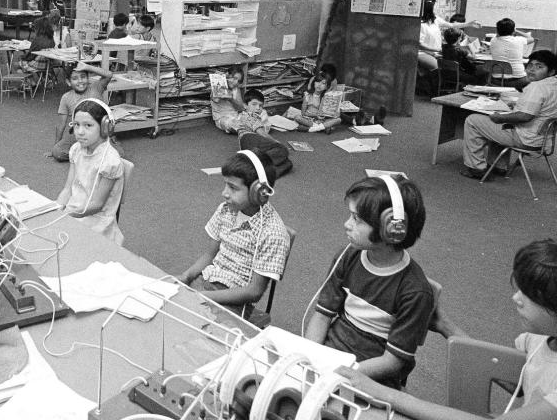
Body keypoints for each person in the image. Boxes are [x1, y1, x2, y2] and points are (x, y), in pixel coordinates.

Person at [337, 238, 557, 420]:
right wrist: (444, 325)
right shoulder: (537, 340)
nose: (515, 298)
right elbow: (519, 382)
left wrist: (384, 393)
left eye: (528, 295)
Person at [304, 174, 434, 389]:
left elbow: (392, 362)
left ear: (391, 230)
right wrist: (310, 356)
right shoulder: (348, 256)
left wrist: (338, 374)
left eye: (357, 219)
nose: (346, 224)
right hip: (330, 359)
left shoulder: (415, 291)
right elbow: (322, 315)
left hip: (371, 377)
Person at [177, 150, 291, 314]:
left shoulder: (273, 233)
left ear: (258, 192)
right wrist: (186, 276)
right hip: (205, 282)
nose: (224, 193)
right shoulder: (226, 210)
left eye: (232, 187)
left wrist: (204, 297)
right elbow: (210, 255)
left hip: (234, 301)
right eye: (225, 184)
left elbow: (254, 291)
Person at [460, 50, 557, 179]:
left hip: (525, 139)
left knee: (473, 120)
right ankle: (498, 166)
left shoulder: (537, 87)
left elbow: (525, 116)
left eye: (539, 66)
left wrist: (499, 117)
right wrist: (515, 107)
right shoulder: (552, 84)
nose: (532, 69)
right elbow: (540, 108)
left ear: (551, 71)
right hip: (544, 139)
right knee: (502, 124)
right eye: (530, 65)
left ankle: (476, 168)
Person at [55, 98, 125, 244]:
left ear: (105, 127)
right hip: (74, 211)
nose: (80, 132)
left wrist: (66, 215)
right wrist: (56, 208)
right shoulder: (76, 150)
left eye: (88, 125)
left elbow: (96, 205)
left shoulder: (110, 161)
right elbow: (68, 189)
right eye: (76, 125)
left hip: (97, 221)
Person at [52, 61, 114, 162]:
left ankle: (87, 153)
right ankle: (91, 154)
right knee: (57, 152)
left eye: (83, 77)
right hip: (79, 135)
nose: (80, 81)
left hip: (100, 134)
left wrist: (87, 67)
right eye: (75, 78)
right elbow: (61, 124)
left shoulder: (96, 87)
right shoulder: (66, 97)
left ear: (88, 78)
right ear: (68, 82)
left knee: (119, 154)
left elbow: (109, 75)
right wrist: (56, 145)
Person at [418, 0, 476, 94]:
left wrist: (469, 24)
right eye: (435, 7)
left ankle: (444, 89)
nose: (437, 10)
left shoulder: (435, 19)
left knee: (447, 64)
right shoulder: (421, 24)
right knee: (438, 67)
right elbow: (419, 44)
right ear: (429, 9)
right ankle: (434, 92)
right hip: (423, 53)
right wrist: (435, 50)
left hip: (436, 51)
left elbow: (451, 25)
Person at [285, 64, 342, 133]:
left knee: (338, 119)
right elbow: (303, 113)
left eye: (323, 83)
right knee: (297, 117)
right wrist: (316, 116)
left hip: (321, 120)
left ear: (327, 87)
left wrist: (332, 113)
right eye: (317, 82)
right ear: (314, 83)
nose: (319, 85)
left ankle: (315, 128)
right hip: (309, 119)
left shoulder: (325, 96)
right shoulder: (307, 95)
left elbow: (327, 112)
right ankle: (323, 127)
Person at [489, 17, 534, 89]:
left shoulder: (493, 40)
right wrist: (517, 31)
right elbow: (531, 39)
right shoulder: (519, 40)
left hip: (497, 81)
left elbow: (497, 35)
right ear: (513, 31)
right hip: (519, 81)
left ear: (497, 30)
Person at [17, 15, 54, 89]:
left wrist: (22, 57)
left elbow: (30, 55)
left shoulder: (37, 39)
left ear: (39, 28)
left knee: (18, 65)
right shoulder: (51, 39)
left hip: (37, 64)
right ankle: (43, 80)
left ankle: (31, 82)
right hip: (48, 64)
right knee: (25, 62)